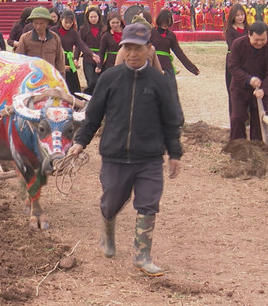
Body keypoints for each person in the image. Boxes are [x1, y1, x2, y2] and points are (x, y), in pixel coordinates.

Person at [68, 23, 183, 277]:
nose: (133, 54)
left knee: (149, 203)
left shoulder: (159, 81)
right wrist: (80, 141)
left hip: (149, 157)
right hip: (115, 155)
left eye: (138, 49)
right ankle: (107, 228)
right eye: (128, 48)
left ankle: (142, 255)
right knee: (111, 203)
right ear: (122, 49)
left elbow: (171, 119)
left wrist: (174, 153)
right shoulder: (110, 78)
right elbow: (93, 115)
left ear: (149, 50)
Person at [227, 21, 268, 141]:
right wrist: (249, 79)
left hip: (261, 89)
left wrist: (264, 89)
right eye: (257, 39)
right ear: (249, 34)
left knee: (258, 118)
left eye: (263, 39)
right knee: (238, 117)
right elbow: (233, 67)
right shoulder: (238, 44)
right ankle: (237, 145)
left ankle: (257, 147)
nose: (260, 43)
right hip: (240, 87)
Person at [54, 10, 99, 94]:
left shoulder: (73, 33)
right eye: (66, 22)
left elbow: (81, 45)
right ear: (61, 20)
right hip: (57, 59)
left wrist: (92, 54)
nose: (68, 25)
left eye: (70, 22)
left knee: (74, 86)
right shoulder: (54, 31)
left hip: (69, 60)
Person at [150, 9, 200, 79]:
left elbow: (179, 53)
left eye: (168, 22)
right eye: (164, 22)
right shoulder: (151, 32)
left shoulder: (171, 35)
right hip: (153, 66)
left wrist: (193, 68)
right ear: (160, 20)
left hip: (167, 68)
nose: (166, 25)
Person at [15, 6, 64, 74]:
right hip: (31, 78)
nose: (38, 27)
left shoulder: (55, 38)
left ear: (47, 22)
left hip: (50, 78)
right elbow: (19, 60)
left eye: (41, 23)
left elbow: (60, 61)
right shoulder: (25, 38)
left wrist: (61, 78)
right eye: (35, 23)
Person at [223, 4, 247, 115]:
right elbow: (232, 45)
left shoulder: (249, 29)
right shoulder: (230, 30)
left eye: (242, 14)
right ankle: (233, 117)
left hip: (247, 64)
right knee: (232, 91)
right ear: (233, 16)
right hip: (233, 63)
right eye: (237, 15)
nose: (240, 17)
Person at [78, 6, 104, 94]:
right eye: (91, 17)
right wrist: (75, 58)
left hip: (101, 58)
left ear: (99, 17)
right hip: (88, 58)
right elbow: (79, 44)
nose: (93, 19)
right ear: (87, 18)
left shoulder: (104, 29)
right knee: (91, 82)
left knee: (99, 82)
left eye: (95, 17)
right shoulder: (83, 29)